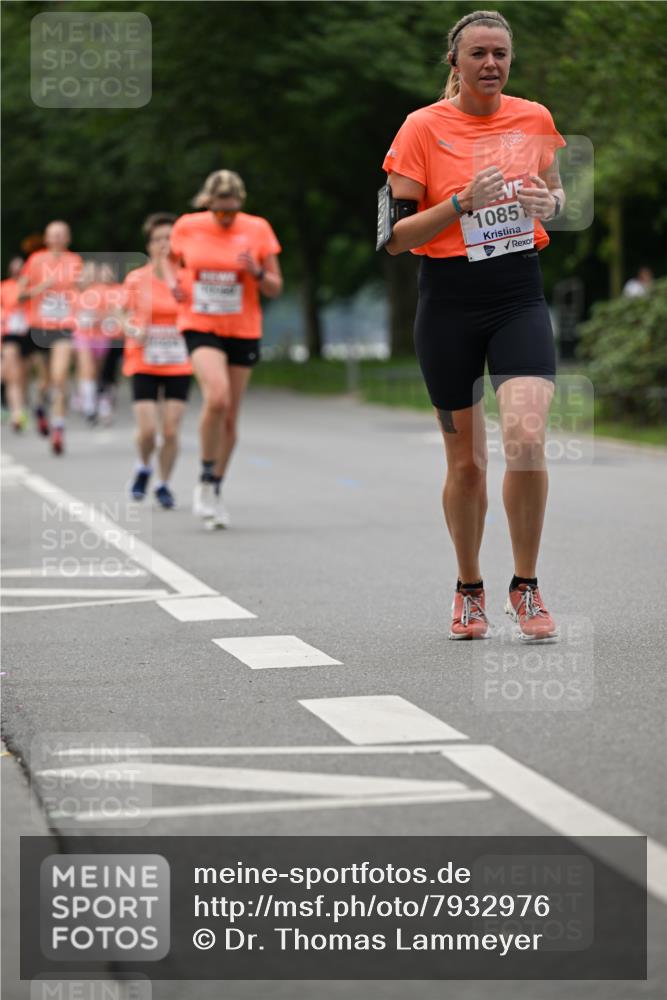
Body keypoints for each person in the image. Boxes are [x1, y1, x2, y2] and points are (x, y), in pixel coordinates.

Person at [382, 9, 566, 641]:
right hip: (448, 304)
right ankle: (469, 588)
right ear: (454, 63)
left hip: (518, 293)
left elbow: (555, 193)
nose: (492, 64)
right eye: (479, 53)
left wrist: (552, 204)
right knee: (466, 466)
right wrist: (459, 204)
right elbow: (396, 238)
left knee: (526, 436)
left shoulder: (534, 118)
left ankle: (526, 584)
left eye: (501, 54)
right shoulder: (421, 128)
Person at [170, 169, 283, 528]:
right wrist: (174, 285)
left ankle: (215, 485)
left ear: (240, 206)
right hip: (199, 324)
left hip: (242, 327)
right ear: (207, 204)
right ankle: (204, 477)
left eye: (232, 211)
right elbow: (169, 263)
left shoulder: (258, 229)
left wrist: (256, 273)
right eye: (219, 211)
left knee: (231, 415)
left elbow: (275, 287)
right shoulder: (187, 226)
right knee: (216, 398)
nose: (226, 218)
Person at [122, 213, 192, 508]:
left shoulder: (187, 277)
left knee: (171, 430)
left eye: (169, 239)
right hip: (144, 360)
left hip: (179, 360)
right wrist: (134, 330)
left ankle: (163, 484)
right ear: (149, 245)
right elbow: (122, 316)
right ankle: (143, 466)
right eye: (158, 239)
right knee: (149, 430)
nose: (164, 244)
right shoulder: (137, 278)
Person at [17, 220, 83, 454]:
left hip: (63, 327)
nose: (56, 239)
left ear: (67, 238)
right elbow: (20, 295)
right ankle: (38, 407)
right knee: (44, 381)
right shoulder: (36, 261)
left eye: (61, 235)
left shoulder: (75, 261)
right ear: (46, 239)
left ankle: (58, 429)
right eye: (52, 235)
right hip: (39, 328)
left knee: (60, 377)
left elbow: (82, 290)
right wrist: (42, 287)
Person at [1, 257, 30, 430]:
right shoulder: (5, 286)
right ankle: (17, 413)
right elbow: (14, 301)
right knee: (11, 375)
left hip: (28, 336)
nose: (18, 271)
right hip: (9, 334)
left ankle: (19, 411)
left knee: (21, 376)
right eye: (15, 268)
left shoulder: (33, 287)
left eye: (22, 268)